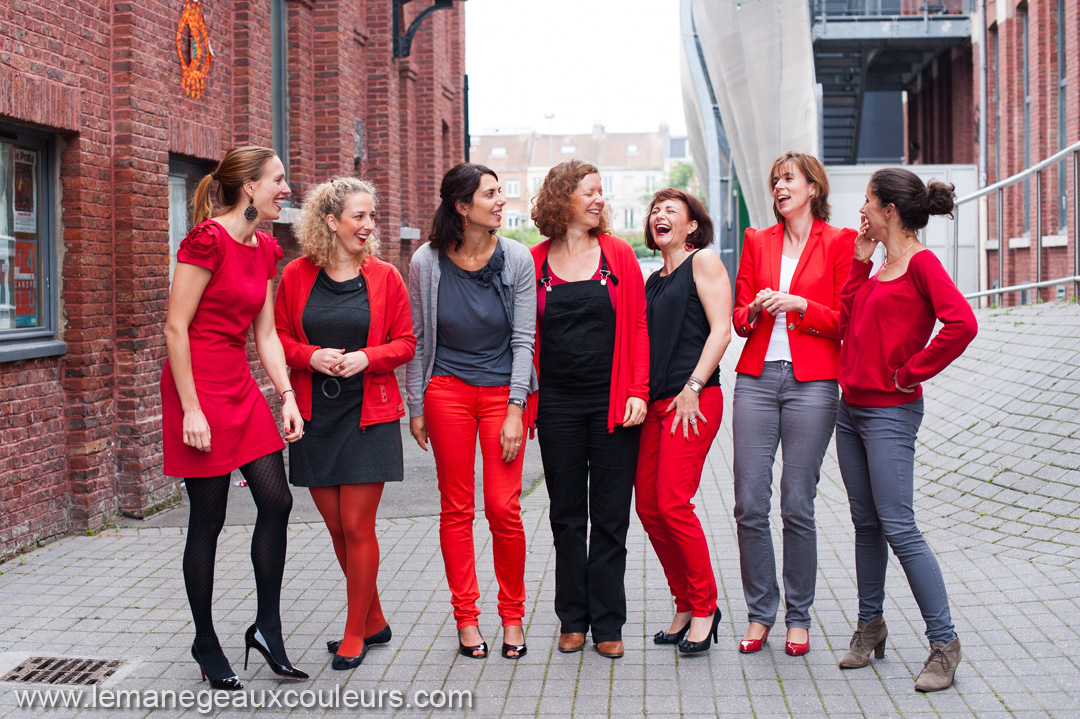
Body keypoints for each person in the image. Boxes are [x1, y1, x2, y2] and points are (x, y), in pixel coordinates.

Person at [161, 145, 307, 690]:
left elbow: (264, 333)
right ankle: (205, 639)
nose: (286, 189)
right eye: (278, 180)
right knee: (209, 517)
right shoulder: (205, 240)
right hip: (194, 386)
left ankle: (266, 628)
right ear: (249, 187)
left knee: (277, 499)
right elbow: (176, 328)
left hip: (239, 386)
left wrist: (286, 394)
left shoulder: (265, 248)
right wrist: (192, 409)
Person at [835, 167, 977, 692]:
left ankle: (944, 644)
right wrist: (857, 264)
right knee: (865, 523)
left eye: (868, 202)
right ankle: (870, 627)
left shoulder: (922, 264)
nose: (862, 212)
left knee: (899, 526)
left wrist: (910, 372)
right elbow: (849, 323)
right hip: (849, 411)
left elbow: (962, 322)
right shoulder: (881, 268)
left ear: (889, 211)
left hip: (890, 413)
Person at [274, 177, 415, 670]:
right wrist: (311, 357)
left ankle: (356, 632)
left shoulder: (386, 277)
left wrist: (367, 358)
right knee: (336, 527)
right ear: (331, 221)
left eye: (371, 216)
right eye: (360, 216)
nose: (369, 225)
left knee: (358, 525)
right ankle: (374, 618)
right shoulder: (295, 275)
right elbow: (279, 339)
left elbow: (406, 343)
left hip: (368, 415)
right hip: (316, 416)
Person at [405, 163, 537, 660]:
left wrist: (515, 407)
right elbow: (419, 338)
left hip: (503, 393)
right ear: (462, 207)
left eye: (501, 193)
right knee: (456, 508)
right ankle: (467, 617)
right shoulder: (426, 261)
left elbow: (524, 340)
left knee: (504, 507)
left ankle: (513, 615)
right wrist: (416, 404)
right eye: (491, 195)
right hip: (448, 393)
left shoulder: (517, 259)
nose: (501, 202)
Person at [730, 151, 856, 656]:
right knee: (747, 503)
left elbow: (845, 319)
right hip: (757, 379)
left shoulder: (841, 241)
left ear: (812, 187)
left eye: (788, 180)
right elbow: (738, 317)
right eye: (775, 181)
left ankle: (798, 616)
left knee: (797, 502)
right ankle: (762, 612)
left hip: (813, 382)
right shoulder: (757, 240)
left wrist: (801, 305)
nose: (779, 188)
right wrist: (756, 309)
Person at [530, 160, 649, 659]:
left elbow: (640, 325)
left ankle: (608, 622)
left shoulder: (618, 255)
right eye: (589, 192)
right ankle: (572, 619)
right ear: (562, 199)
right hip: (556, 405)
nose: (598, 199)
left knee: (610, 517)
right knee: (566, 517)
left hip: (612, 404)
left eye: (601, 191)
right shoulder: (533, 260)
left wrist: (638, 390)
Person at [634, 188, 731, 655]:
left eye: (671, 210)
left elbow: (722, 329)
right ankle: (685, 602)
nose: (659, 215)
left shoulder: (704, 262)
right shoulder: (652, 281)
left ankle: (706, 606)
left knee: (673, 502)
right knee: (649, 509)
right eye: (655, 210)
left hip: (693, 399)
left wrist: (693, 386)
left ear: (692, 225)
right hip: (656, 405)